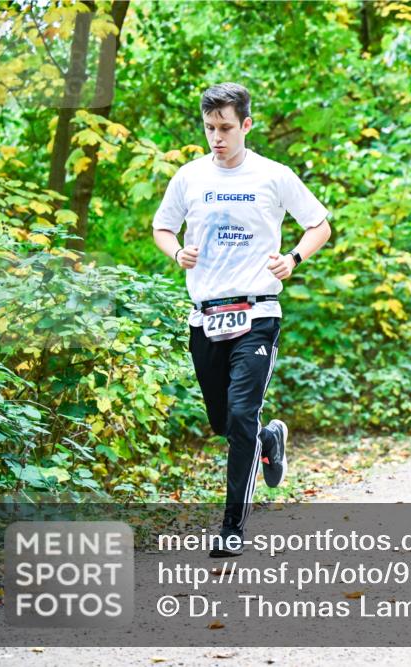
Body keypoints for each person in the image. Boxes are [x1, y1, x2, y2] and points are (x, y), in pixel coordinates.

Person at [152, 82, 332, 557]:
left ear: (246, 125)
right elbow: (162, 226)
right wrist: (177, 253)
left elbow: (320, 223)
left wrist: (292, 258)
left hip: (258, 313)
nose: (217, 137)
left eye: (226, 128)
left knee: (241, 415)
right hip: (206, 316)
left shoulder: (273, 175)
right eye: (210, 128)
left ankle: (232, 528)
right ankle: (270, 438)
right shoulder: (189, 178)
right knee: (224, 422)